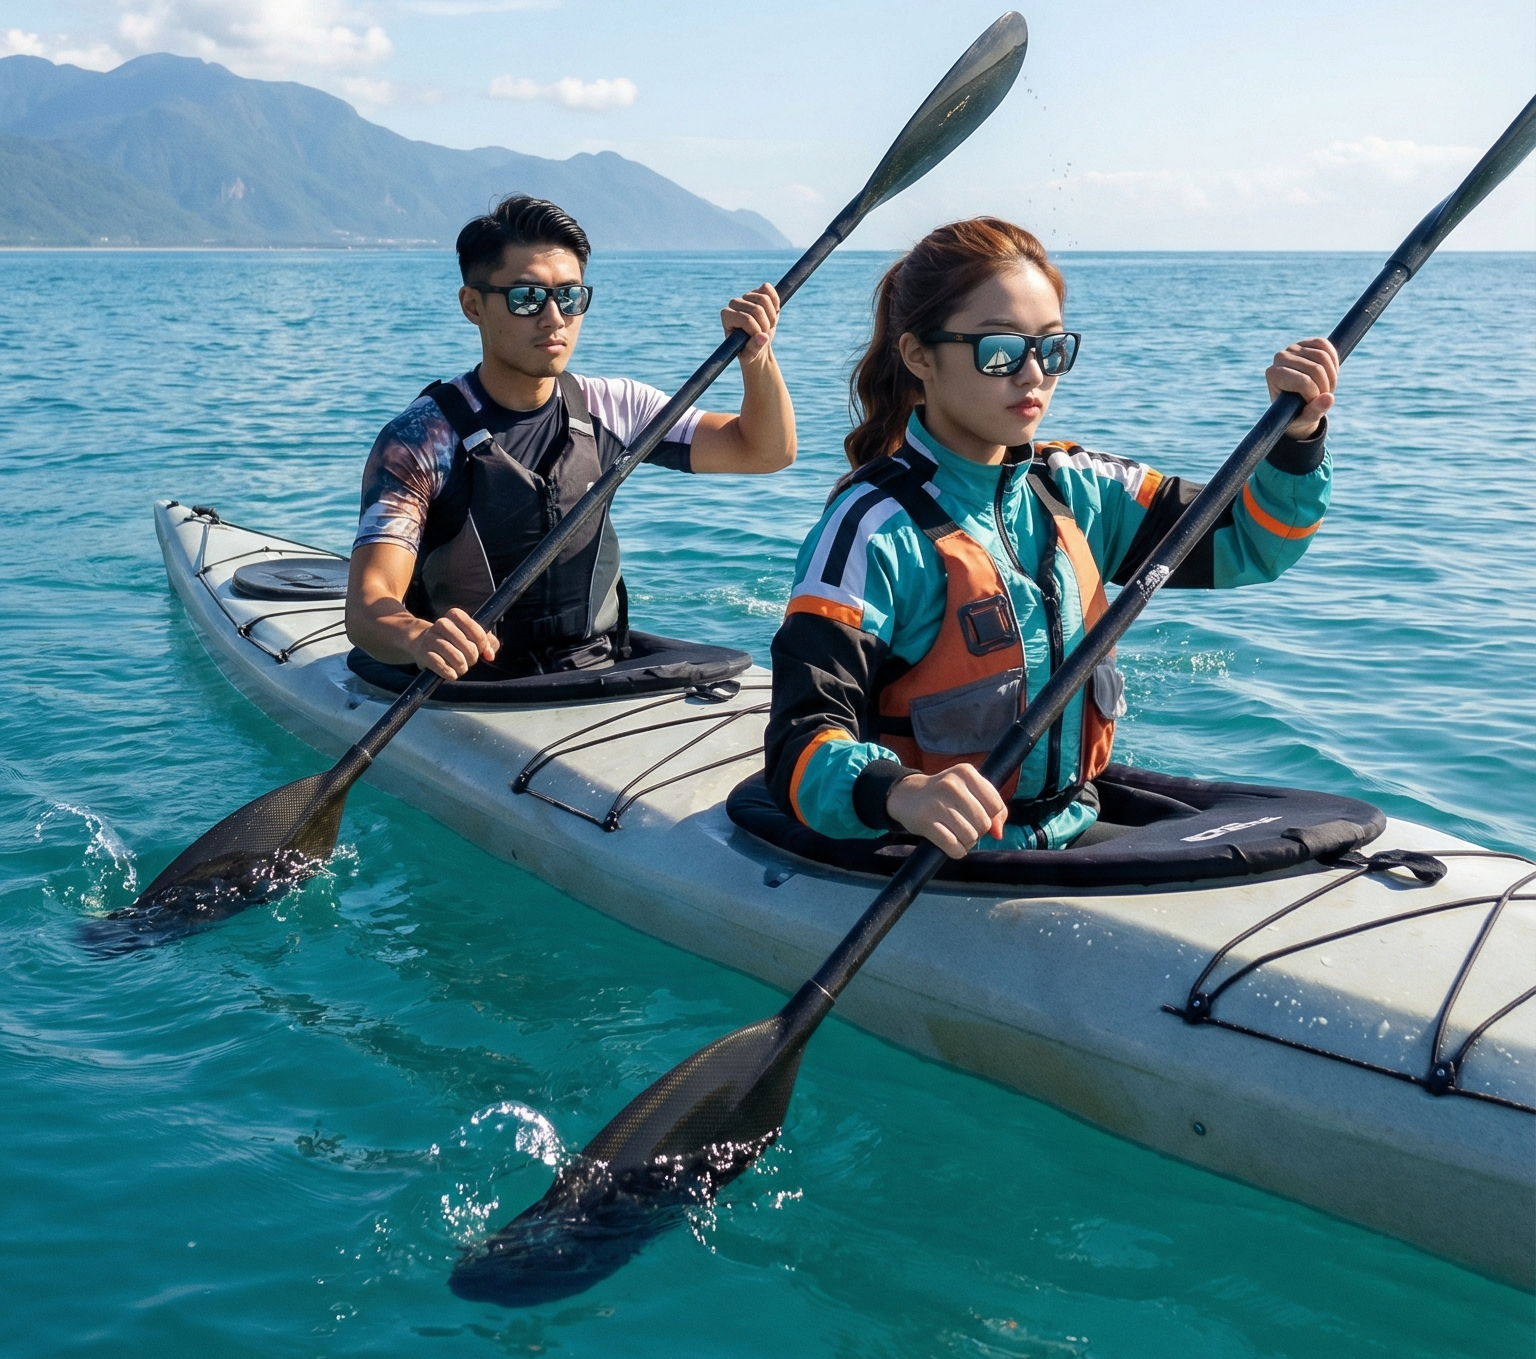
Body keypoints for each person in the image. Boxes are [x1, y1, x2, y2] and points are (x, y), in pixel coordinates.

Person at [763, 217, 1337, 859]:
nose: (1032, 374)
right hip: (928, 852)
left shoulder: (1080, 488)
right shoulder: (871, 529)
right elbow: (799, 741)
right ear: (919, 355)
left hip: (1069, 829)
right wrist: (904, 792)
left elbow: (1250, 544)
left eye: (1051, 348)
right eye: (999, 349)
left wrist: (1296, 441)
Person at [347, 191, 795, 684]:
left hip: (595, 673)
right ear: (472, 306)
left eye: (569, 296)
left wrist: (757, 358)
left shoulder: (615, 407)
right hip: (473, 685)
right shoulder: (421, 439)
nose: (554, 318)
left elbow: (764, 451)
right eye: (527, 298)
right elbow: (369, 604)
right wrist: (415, 636)